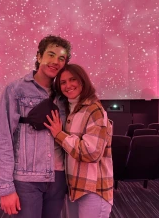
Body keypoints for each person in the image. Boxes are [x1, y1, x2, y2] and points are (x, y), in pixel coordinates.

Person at [0, 35, 72, 218]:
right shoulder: (15, 90)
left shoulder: (64, 96)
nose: (55, 61)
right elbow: (2, 140)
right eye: (51, 55)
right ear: (39, 56)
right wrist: (5, 188)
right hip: (26, 180)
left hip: (58, 177)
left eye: (61, 58)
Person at [44, 64, 113, 218]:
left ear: (82, 81)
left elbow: (91, 153)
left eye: (72, 80)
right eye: (63, 82)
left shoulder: (94, 110)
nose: (68, 85)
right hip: (74, 188)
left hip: (94, 190)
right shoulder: (72, 110)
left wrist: (59, 135)